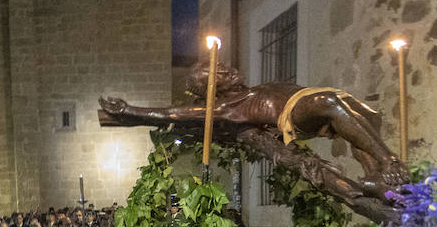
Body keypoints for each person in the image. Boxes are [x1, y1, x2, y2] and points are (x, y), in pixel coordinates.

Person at [99, 61, 403, 190]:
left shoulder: (255, 89)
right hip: (296, 113)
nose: (226, 69)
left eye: (221, 66)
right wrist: (130, 110)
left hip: (311, 103)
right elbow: (174, 114)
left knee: (365, 115)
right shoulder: (227, 108)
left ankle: (377, 178)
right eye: (216, 72)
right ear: (212, 89)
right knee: (329, 102)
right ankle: (390, 160)